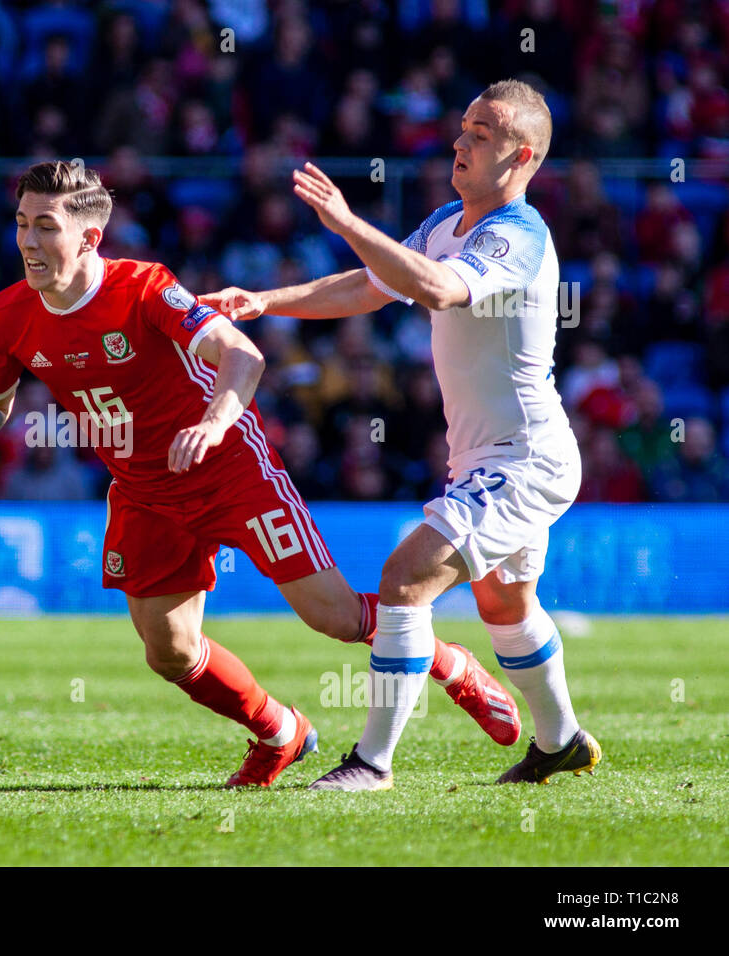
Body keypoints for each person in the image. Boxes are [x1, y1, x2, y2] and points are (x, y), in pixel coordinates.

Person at [0, 160, 520, 788]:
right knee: (169, 652)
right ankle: (280, 732)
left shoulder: (145, 288)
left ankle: (450, 663)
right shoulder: (8, 315)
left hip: (230, 468)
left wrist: (213, 422)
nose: (28, 242)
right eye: (21, 224)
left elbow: (243, 353)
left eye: (45, 226)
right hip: (143, 492)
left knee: (334, 618)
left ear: (90, 237)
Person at [202, 80, 599, 790]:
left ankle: (372, 763)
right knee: (505, 603)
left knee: (403, 580)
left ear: (523, 155)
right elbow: (369, 285)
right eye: (464, 128)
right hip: (486, 455)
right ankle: (562, 740)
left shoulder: (516, 234)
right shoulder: (451, 218)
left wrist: (351, 222)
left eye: (482, 133)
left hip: (525, 459)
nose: (461, 142)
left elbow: (440, 289)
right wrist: (266, 301)